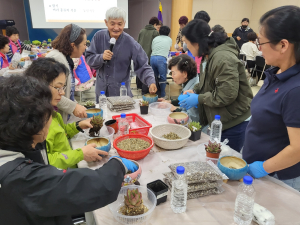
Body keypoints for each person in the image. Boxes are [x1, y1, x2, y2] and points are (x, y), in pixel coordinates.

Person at [0, 75, 138, 224]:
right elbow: (82, 187)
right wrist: (118, 165)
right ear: (32, 123)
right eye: (47, 115)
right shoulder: (17, 177)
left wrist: (77, 126)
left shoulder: (20, 144)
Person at [242, 6, 300, 191]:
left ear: (283, 45)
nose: (259, 50)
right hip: (255, 167)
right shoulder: (275, 73)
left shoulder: (295, 89)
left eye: (261, 43)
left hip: (277, 177)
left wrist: (262, 168)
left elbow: (297, 149)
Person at [180, 19, 253, 152]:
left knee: (225, 158)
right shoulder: (208, 55)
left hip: (234, 121)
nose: (185, 47)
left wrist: (199, 98)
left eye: (186, 42)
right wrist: (195, 90)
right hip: (222, 118)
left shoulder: (222, 58)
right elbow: (209, 82)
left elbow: (226, 95)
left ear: (196, 42)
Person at [24, 58, 101, 169]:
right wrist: (80, 154)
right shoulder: (37, 123)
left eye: (63, 87)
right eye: (58, 87)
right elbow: (46, 161)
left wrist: (79, 125)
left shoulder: (52, 113)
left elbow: (62, 134)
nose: (62, 92)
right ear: (39, 86)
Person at [86, 7, 157, 101]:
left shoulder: (130, 42)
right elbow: (89, 58)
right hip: (101, 93)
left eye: (120, 24)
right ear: (106, 22)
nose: (116, 28)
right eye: (112, 23)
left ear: (124, 23)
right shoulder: (99, 36)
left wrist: (151, 82)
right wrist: (101, 57)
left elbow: (143, 65)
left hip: (121, 93)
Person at [46, 24, 88, 122]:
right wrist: (73, 107)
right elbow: (49, 92)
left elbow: (68, 92)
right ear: (73, 45)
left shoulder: (65, 58)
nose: (85, 48)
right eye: (84, 44)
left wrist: (76, 105)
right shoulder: (56, 59)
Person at [159, 54, 199, 122]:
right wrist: (170, 102)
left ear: (184, 73)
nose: (172, 76)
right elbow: (184, 101)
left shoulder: (193, 90)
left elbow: (192, 119)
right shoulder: (190, 80)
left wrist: (175, 109)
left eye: (174, 73)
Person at [137, 17, 160, 92]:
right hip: (150, 56)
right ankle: (146, 91)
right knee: (148, 74)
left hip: (140, 56)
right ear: (155, 24)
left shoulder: (141, 31)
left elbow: (137, 43)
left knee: (140, 71)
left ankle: (139, 88)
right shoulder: (155, 32)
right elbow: (156, 45)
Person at [150, 26, 172, 98]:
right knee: (162, 78)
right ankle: (162, 95)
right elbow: (168, 48)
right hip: (161, 58)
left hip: (152, 58)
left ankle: (154, 94)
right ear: (168, 33)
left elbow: (152, 48)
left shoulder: (155, 38)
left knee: (154, 77)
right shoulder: (169, 39)